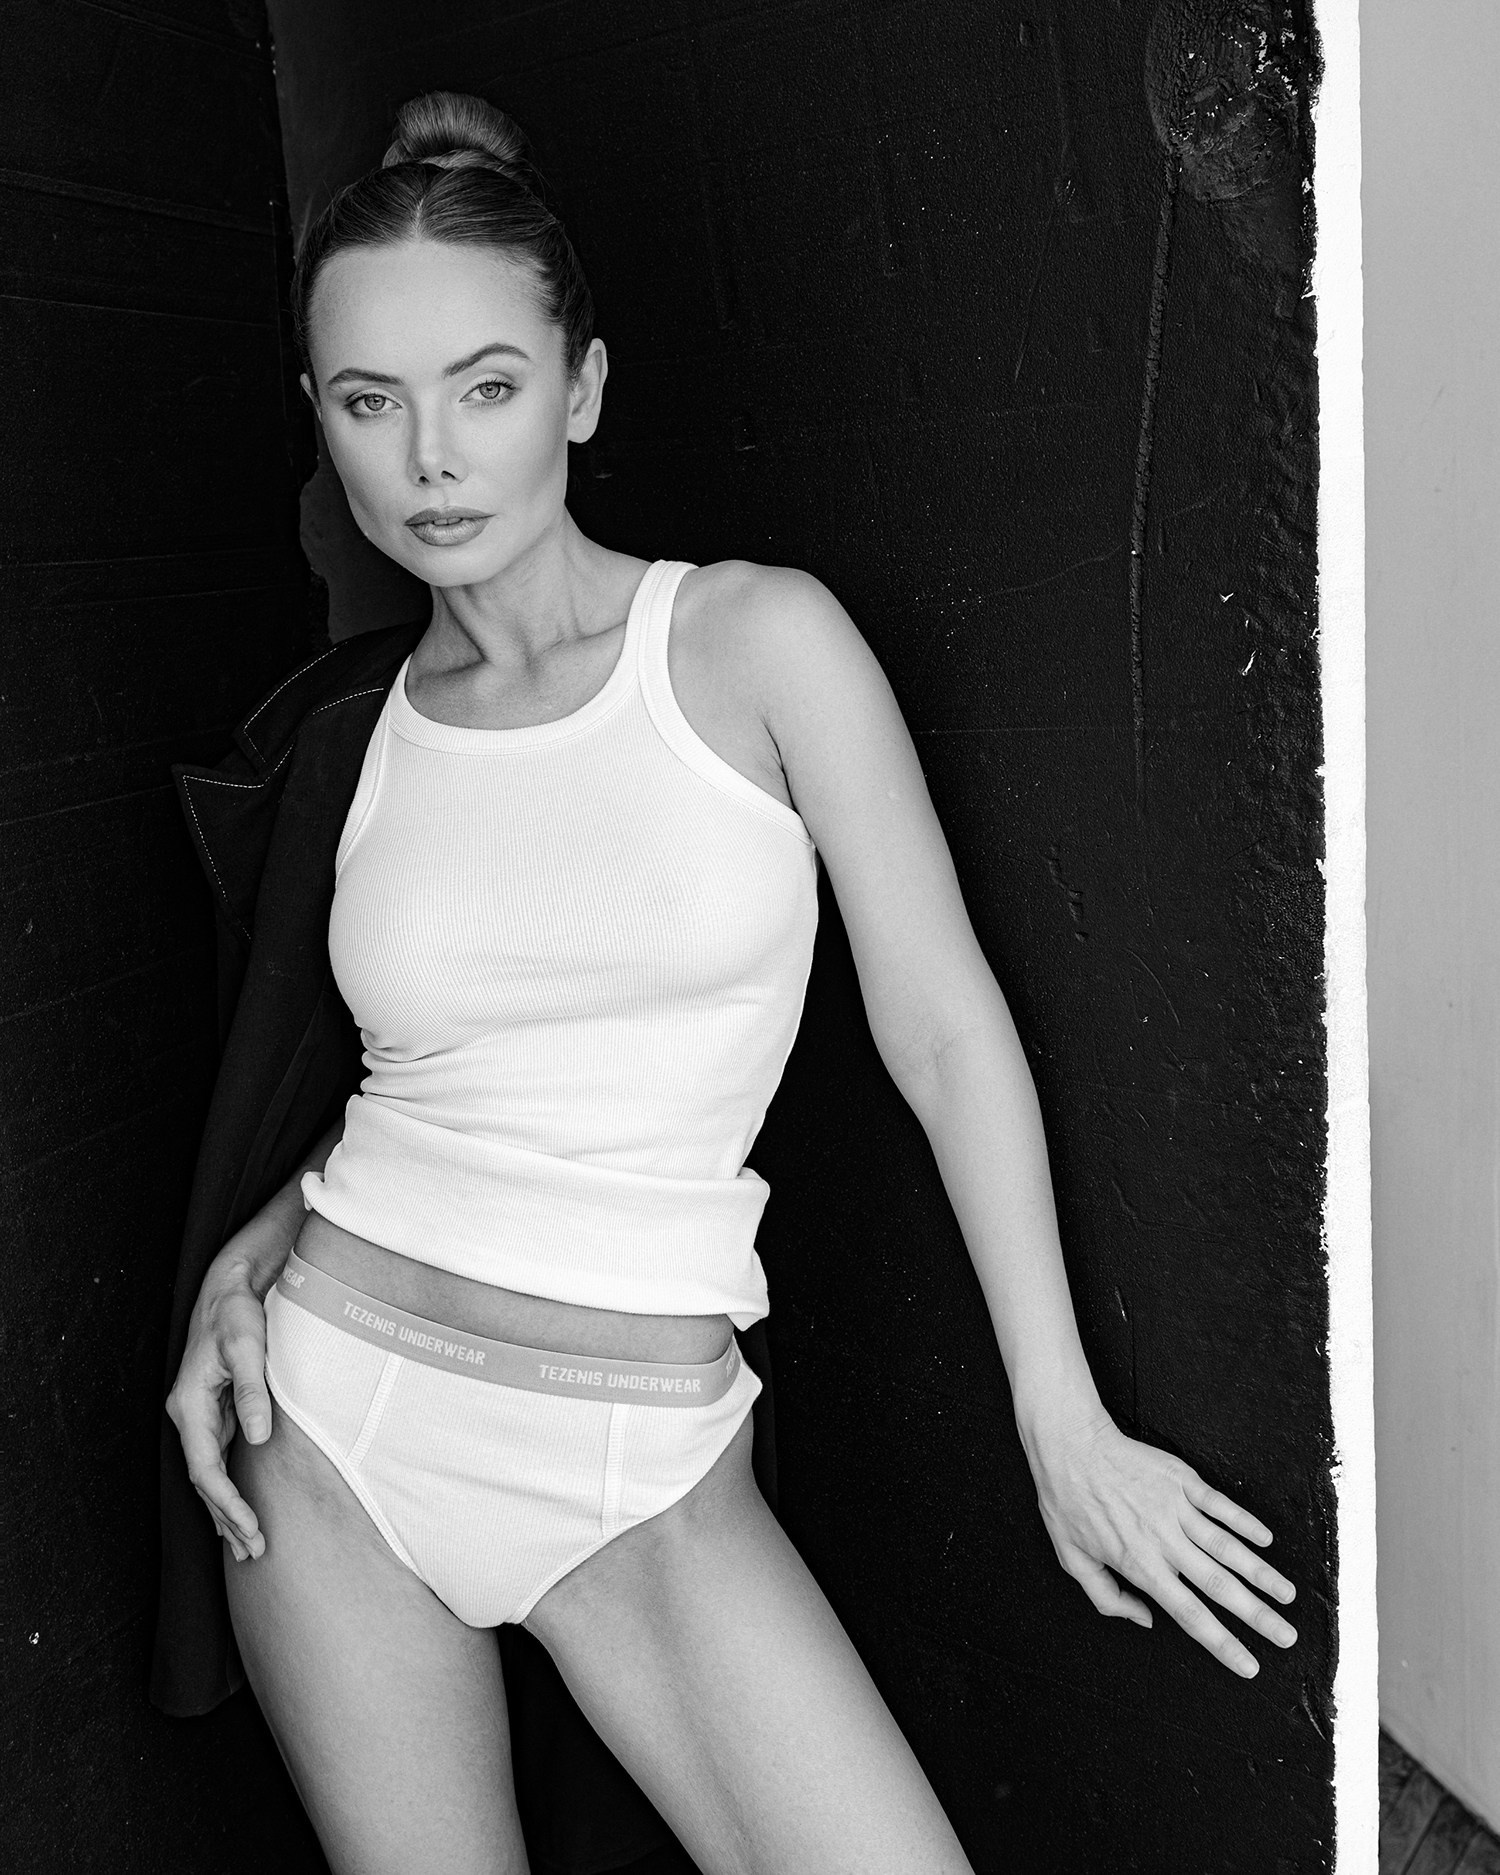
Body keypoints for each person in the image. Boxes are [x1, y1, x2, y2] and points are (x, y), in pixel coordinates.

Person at [162, 89, 1299, 1875]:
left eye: (486, 387)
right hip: (325, 1436)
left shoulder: (754, 642)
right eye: (371, 403)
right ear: (321, 419)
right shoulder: (351, 742)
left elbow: (942, 1030)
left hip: (641, 1464)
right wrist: (254, 1248)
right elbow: (386, 1081)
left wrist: (1060, 1417)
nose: (433, 458)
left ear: (583, 389)